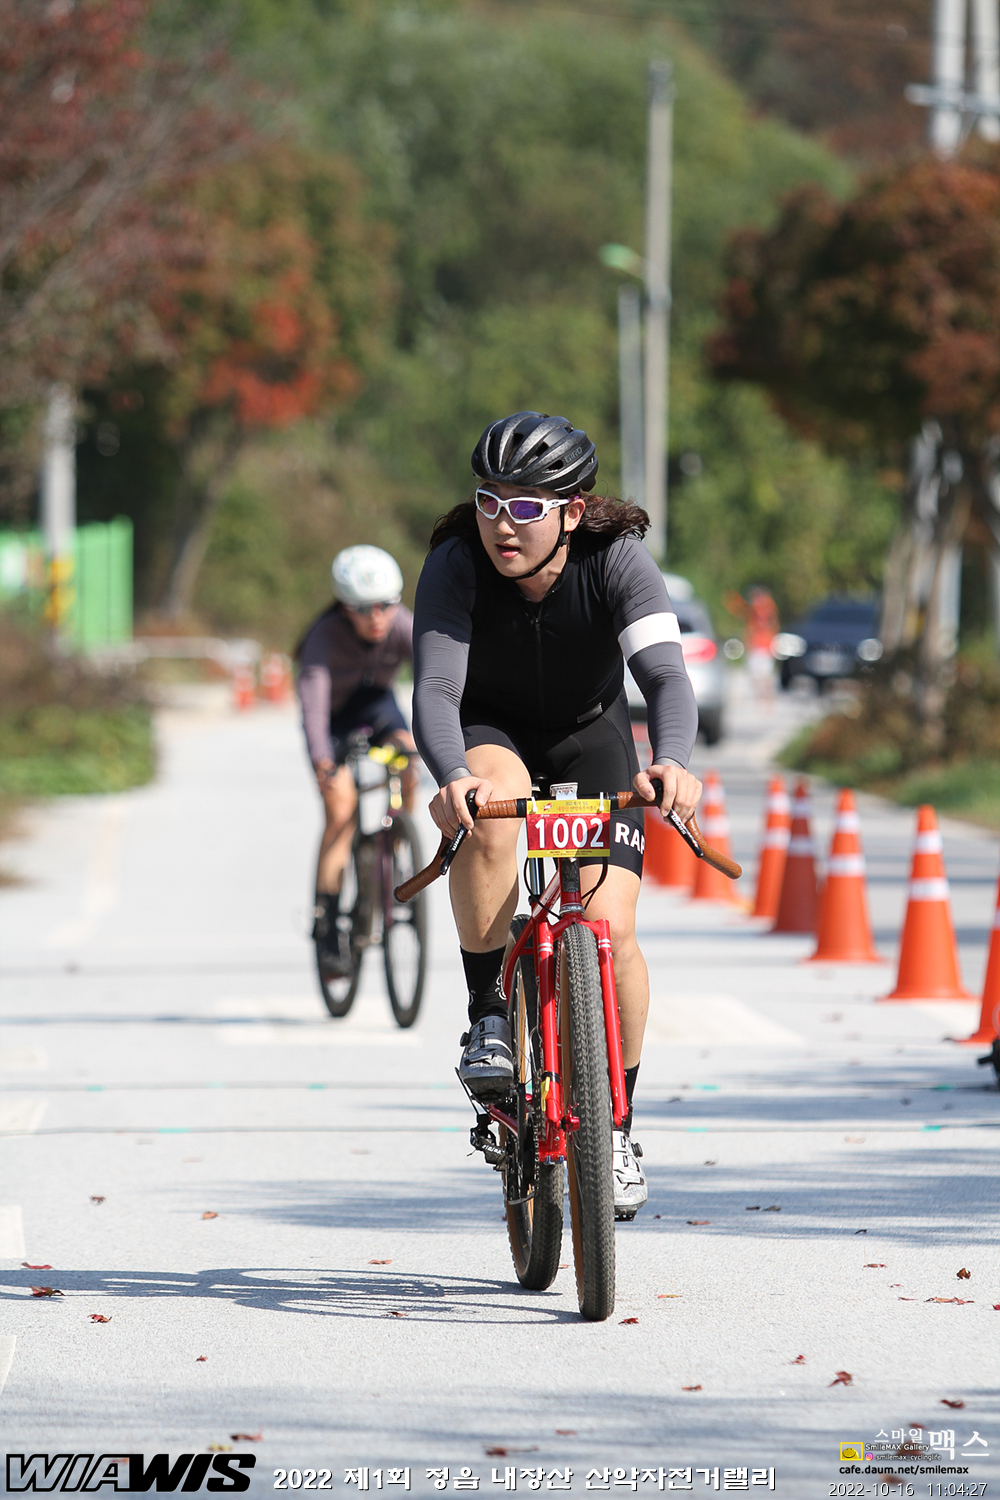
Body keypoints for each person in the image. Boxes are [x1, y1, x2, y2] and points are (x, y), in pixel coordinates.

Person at [411, 411, 702, 1218]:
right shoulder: (455, 562)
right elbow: (436, 687)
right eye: (489, 502)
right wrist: (452, 776)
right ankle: (489, 1015)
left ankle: (617, 1127)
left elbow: (666, 678)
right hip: (491, 732)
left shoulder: (618, 558)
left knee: (611, 928)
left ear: (572, 512)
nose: (502, 525)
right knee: (489, 812)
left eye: (525, 507)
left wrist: (673, 762)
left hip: (589, 737)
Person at [297, 545, 416, 975]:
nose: (377, 617)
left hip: (375, 706)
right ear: (346, 607)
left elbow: (438, 674)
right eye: (364, 609)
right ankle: (327, 924)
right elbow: (313, 709)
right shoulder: (324, 636)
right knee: (342, 810)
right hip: (332, 719)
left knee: (408, 756)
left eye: (386, 605)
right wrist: (323, 763)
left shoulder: (401, 625)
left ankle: (396, 844)